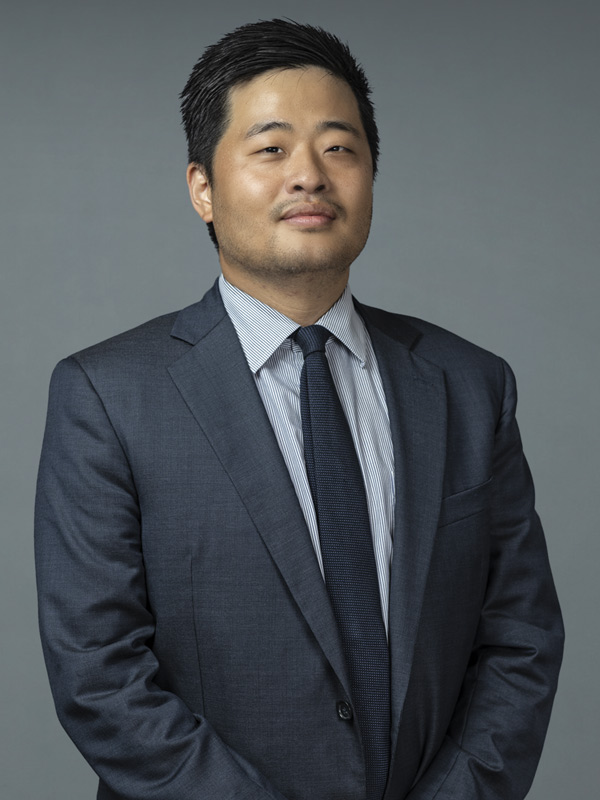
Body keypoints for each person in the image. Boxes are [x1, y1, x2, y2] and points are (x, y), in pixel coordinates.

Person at [35, 18, 564, 800]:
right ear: (202, 188)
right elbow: (100, 676)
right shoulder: (108, 395)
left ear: (371, 175)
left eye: (339, 147)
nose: (310, 175)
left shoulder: (468, 385)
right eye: (272, 148)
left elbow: (521, 637)